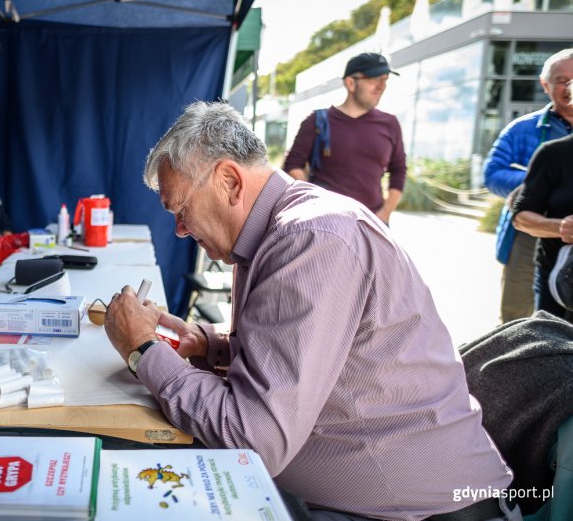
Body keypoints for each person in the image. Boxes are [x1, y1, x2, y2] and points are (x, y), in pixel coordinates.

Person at [104, 101, 517, 520]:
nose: (180, 229)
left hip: (421, 511)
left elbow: (252, 440)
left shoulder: (309, 238)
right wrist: (212, 345)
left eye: (181, 209)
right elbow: (318, 356)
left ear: (229, 181)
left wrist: (143, 350)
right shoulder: (280, 230)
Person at [484, 48, 573, 323]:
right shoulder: (521, 128)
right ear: (545, 85)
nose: (568, 87)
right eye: (561, 80)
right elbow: (493, 174)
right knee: (517, 316)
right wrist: (540, 183)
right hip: (529, 231)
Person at [282, 52, 406, 224]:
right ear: (350, 83)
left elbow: (399, 170)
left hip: (372, 223)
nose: (381, 86)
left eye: (385, 80)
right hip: (324, 222)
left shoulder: (390, 124)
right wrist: (313, 203)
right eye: (374, 80)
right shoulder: (317, 121)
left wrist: (385, 214)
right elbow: (292, 164)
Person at [511, 83, 573, 322]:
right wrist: (561, 227)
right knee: (555, 354)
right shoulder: (553, 154)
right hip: (561, 284)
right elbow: (521, 216)